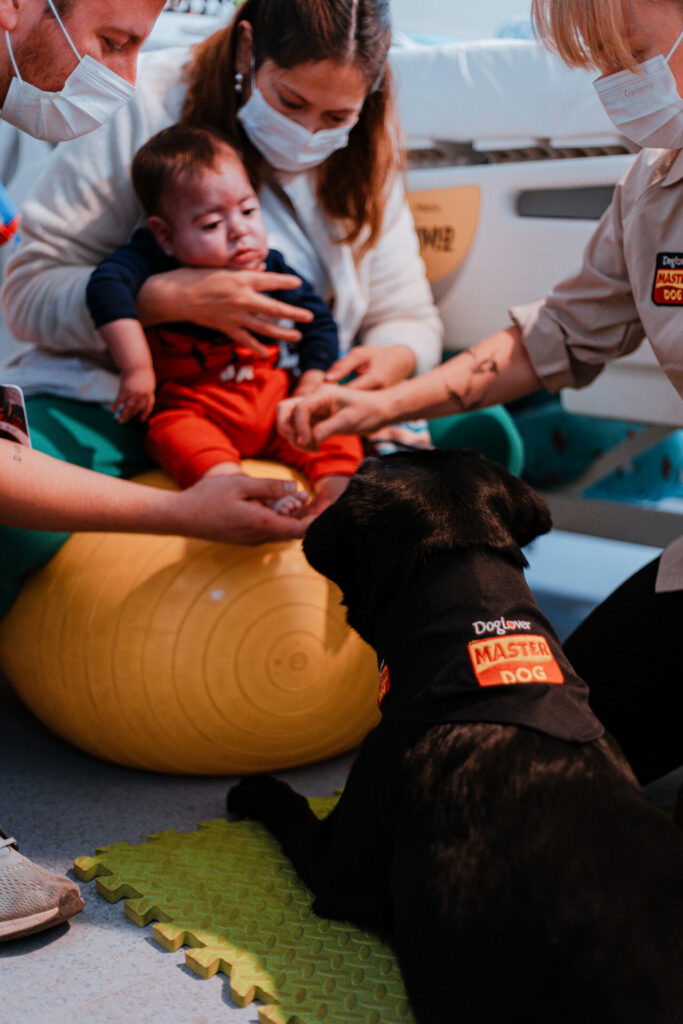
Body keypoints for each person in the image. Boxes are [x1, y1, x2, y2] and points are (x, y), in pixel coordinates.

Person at [276, 0, 683, 795]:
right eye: (596, 66)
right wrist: (380, 407)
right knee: (550, 752)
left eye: (628, 56)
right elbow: (554, 335)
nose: (613, 84)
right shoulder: (650, 190)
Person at [0, 0, 316, 946]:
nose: (125, 80)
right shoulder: (139, 179)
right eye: (111, 42)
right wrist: (186, 510)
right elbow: (42, 297)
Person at [0, 0, 442, 613]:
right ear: (245, 50)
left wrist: (379, 368)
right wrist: (161, 299)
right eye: (290, 103)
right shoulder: (144, 108)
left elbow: (409, 318)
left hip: (290, 401)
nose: (310, 132)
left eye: (335, 115)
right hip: (143, 396)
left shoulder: (365, 150)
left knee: (456, 470)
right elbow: (25, 294)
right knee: (13, 519)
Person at [86, 123, 363, 511]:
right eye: (212, 224)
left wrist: (311, 383)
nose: (240, 232)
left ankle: (337, 495)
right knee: (173, 435)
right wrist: (137, 369)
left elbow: (317, 320)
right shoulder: (150, 259)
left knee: (329, 427)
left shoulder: (269, 266)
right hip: (194, 407)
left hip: (271, 400)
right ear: (165, 236)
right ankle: (231, 486)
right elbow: (105, 286)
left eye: (249, 210)